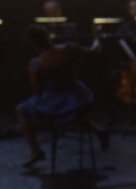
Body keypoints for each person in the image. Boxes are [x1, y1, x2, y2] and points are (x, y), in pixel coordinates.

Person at [16, 24, 109, 168]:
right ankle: (99, 131)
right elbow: (94, 51)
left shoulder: (35, 65)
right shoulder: (69, 48)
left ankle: (35, 150)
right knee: (73, 111)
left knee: (21, 110)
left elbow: (38, 93)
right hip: (77, 97)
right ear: (48, 36)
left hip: (54, 102)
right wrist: (97, 37)